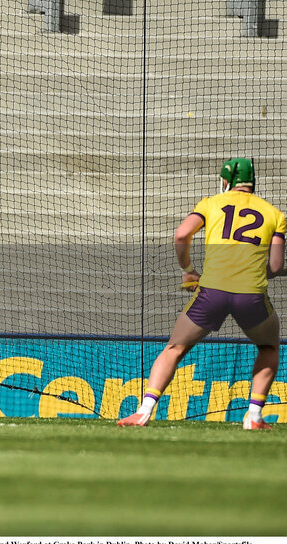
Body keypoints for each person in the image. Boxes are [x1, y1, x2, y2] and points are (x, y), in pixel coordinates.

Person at [118, 158, 284, 430]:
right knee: (268, 347)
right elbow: (275, 267)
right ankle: (253, 417)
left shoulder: (210, 203)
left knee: (174, 348)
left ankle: (144, 411)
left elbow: (182, 235)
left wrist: (188, 269)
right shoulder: (275, 214)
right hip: (251, 295)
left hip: (211, 292)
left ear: (226, 180)